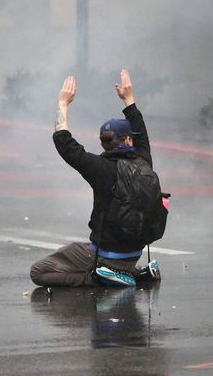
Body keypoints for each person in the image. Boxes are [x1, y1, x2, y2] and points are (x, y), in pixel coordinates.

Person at [30, 69, 161, 287]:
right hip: (134, 253)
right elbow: (142, 132)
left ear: (103, 143)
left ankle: (99, 277)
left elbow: (64, 142)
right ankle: (136, 274)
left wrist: (62, 103)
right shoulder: (143, 161)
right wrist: (128, 99)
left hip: (106, 255)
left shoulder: (100, 168)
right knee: (82, 252)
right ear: (129, 141)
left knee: (39, 272)